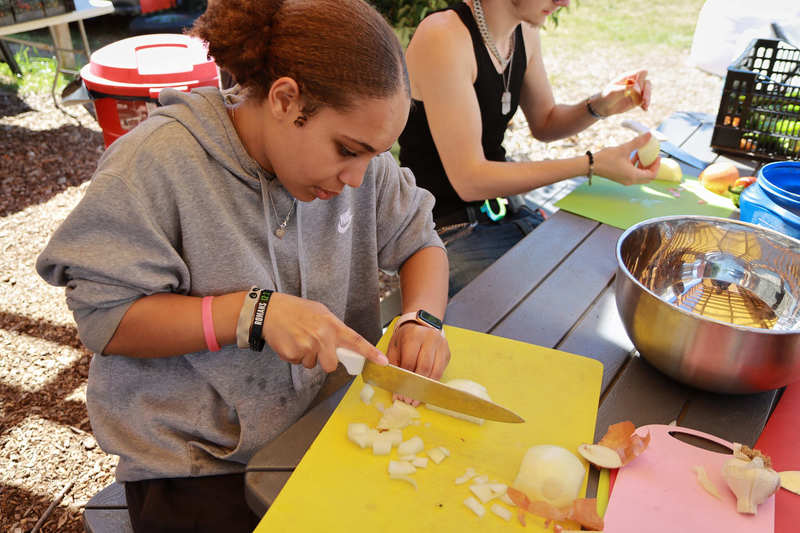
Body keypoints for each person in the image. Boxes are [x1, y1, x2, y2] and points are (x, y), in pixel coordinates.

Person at [36, 0, 450, 531]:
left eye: (374, 155)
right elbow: (107, 320)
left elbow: (422, 241)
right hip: (194, 465)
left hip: (325, 424)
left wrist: (423, 319)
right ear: (284, 99)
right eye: (347, 149)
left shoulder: (363, 167)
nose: (356, 178)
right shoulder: (155, 165)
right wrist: (252, 315)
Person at [399, 0, 661, 296]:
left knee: (610, 280)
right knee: (557, 305)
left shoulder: (522, 31)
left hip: (503, 213)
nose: (564, 2)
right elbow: (470, 180)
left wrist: (600, 105)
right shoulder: (443, 36)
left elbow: (546, 123)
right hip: (441, 233)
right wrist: (591, 164)